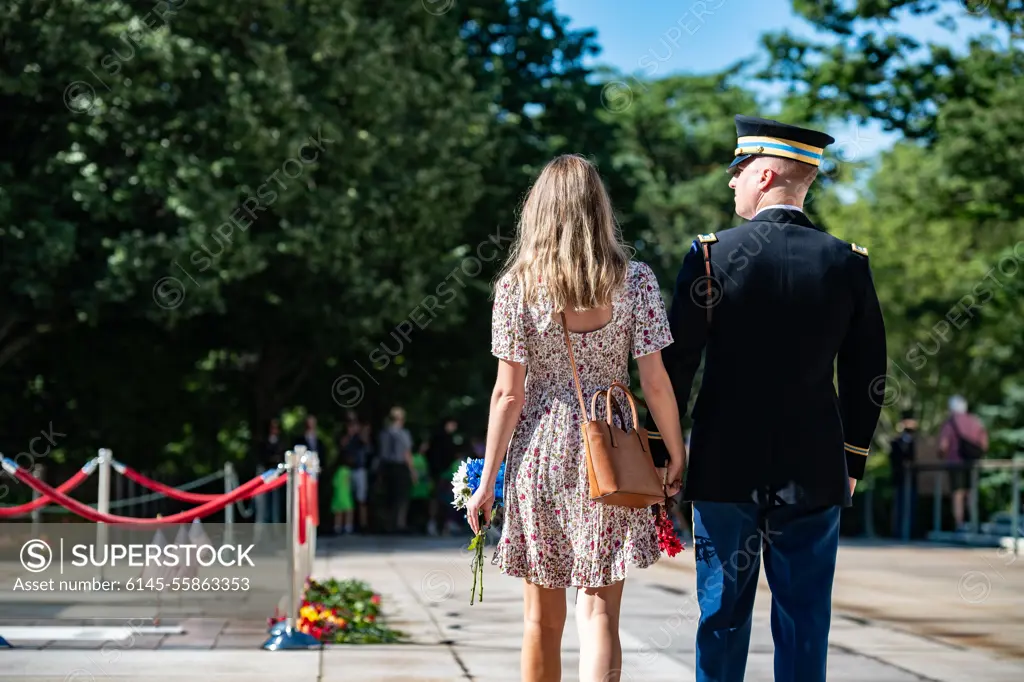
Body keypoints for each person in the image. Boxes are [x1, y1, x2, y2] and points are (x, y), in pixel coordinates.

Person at [645, 116, 887, 682]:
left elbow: (674, 367)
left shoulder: (711, 256)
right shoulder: (847, 262)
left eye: (739, 171)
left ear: (766, 174)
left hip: (725, 469)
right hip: (815, 469)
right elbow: (867, 373)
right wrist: (851, 461)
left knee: (722, 617)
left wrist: (664, 453)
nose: (732, 183)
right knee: (804, 620)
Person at [465, 154, 686, 682]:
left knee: (541, 620)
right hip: (609, 448)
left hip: (540, 450)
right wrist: (674, 451)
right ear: (599, 208)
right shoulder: (635, 280)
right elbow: (655, 381)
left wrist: (488, 480)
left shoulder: (516, 286)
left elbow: (507, 394)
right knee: (601, 612)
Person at [939, 395, 989, 531]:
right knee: (971, 492)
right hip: (973, 462)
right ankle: (973, 521)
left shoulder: (949, 424)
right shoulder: (975, 421)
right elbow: (984, 444)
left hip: (955, 462)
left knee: (958, 494)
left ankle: (959, 524)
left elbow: (943, 446)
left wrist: (942, 456)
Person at [378, 406, 417, 534]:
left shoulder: (384, 433)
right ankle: (399, 523)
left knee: (389, 496)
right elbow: (407, 453)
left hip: (386, 467)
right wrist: (412, 470)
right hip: (400, 467)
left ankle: (387, 524)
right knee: (401, 496)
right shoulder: (403, 434)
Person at [426, 417, 459, 537]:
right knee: (442, 499)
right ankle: (440, 524)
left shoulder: (439, 438)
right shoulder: (444, 438)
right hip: (442, 473)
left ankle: (438, 524)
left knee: (439, 498)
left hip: (440, 472)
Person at [338, 414, 372, 533]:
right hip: (348, 470)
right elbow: (342, 445)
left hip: (360, 469)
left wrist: (360, 432)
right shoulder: (346, 438)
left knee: (361, 498)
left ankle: (363, 525)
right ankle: (347, 525)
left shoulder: (361, 438)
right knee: (347, 499)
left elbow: (366, 441)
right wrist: (349, 435)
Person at [889, 409, 919, 537]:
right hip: (900, 478)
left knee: (911, 506)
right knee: (900, 506)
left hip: (912, 479)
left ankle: (911, 531)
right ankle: (898, 531)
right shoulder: (896, 442)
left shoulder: (917, 441)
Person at [409, 441, 433, 533]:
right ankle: (420, 528)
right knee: (420, 509)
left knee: (416, 509)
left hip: (417, 489)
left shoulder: (413, 458)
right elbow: (426, 473)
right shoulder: (420, 458)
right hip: (420, 489)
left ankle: (416, 527)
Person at [332, 451, 355, 535]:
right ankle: (348, 526)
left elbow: (334, 483)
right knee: (349, 510)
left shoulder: (338, 471)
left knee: (338, 512)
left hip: (338, 493)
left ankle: (337, 527)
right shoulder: (347, 471)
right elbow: (348, 482)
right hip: (346, 493)